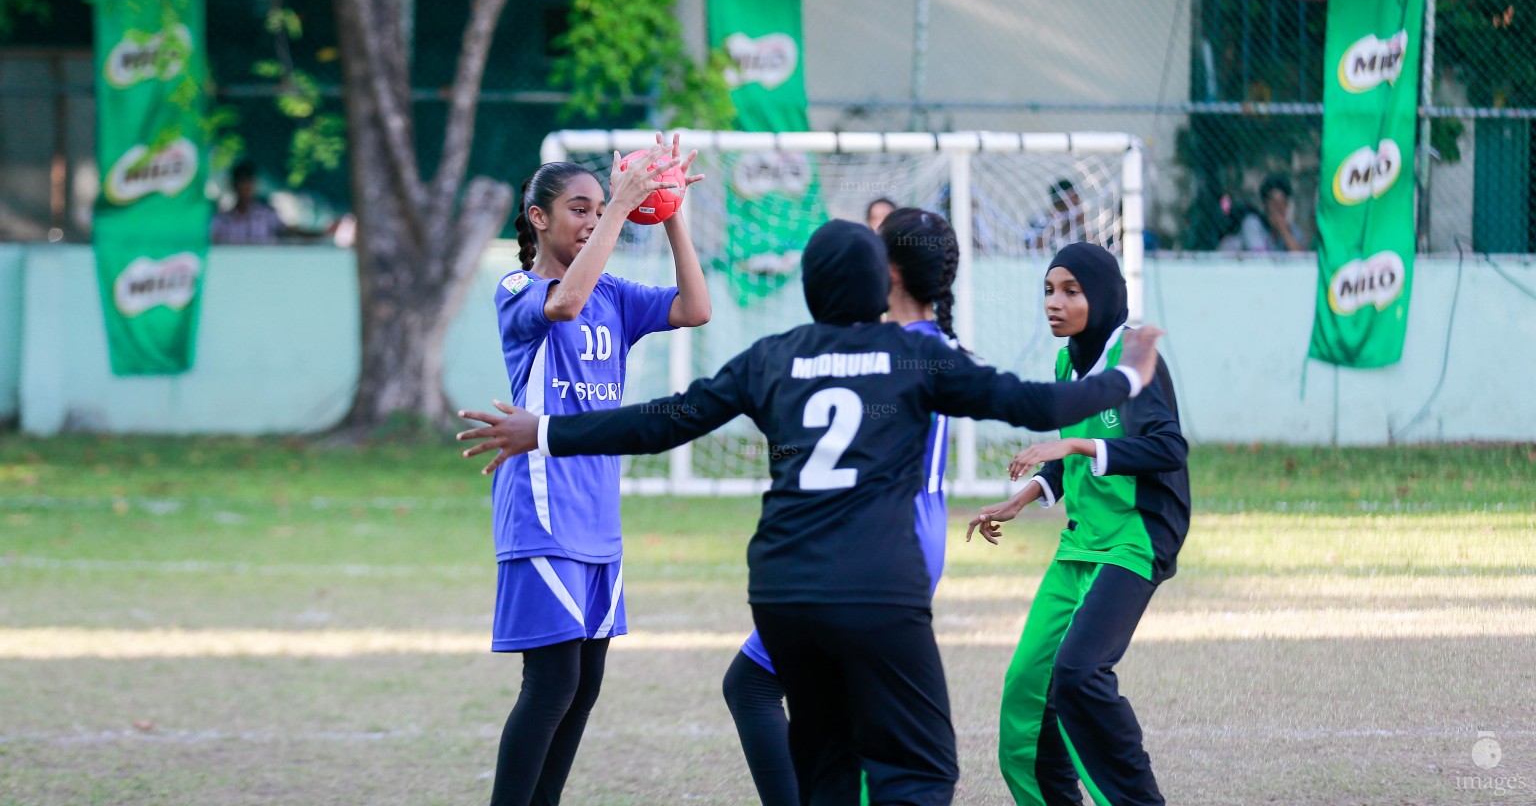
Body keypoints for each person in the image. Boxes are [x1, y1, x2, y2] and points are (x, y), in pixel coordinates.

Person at [458, 220, 1165, 806]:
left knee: (826, 769)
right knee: (919, 771)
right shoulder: (916, 358)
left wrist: (545, 430)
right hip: (877, 586)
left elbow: (666, 418)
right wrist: (1128, 375)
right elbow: (1035, 405)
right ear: (875, 284)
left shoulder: (773, 357)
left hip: (783, 590)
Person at [481, 134, 710, 806]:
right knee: (550, 685)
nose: (592, 217)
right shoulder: (519, 288)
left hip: (598, 516)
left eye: (599, 207)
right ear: (538, 218)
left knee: (583, 689)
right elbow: (563, 305)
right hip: (543, 510)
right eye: (578, 208)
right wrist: (620, 212)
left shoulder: (613, 292)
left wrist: (669, 215)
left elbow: (695, 308)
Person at [720, 207, 962, 806]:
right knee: (845, 709)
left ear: (892, 274)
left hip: (880, 542)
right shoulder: (931, 344)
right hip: (914, 535)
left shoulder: (891, 350)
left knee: (752, 684)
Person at [965, 242, 1189, 806]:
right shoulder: (1068, 360)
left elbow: (1166, 447)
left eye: (1071, 290)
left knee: (1080, 675)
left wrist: (1074, 441)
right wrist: (1029, 495)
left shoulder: (1136, 358)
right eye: (1048, 290)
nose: (1054, 303)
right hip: (1081, 543)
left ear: (1105, 294)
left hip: (1135, 539)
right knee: (1026, 690)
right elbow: (1073, 464)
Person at [210, 161, 285, 244]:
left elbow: (288, 233)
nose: (245, 187)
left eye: (248, 181)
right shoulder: (222, 221)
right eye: (242, 181)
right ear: (234, 185)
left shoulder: (268, 216)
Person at [1233, 173, 1304, 253]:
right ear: (1265, 205)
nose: (1278, 209)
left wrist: (1284, 230)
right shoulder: (1253, 224)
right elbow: (1261, 260)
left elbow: (1301, 259)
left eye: (1282, 204)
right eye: (1274, 203)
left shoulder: (1293, 231)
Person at [1026, 179, 1089, 253]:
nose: (1077, 201)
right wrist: (1060, 226)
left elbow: (1090, 245)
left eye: (1077, 197)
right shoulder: (1039, 219)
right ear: (1058, 201)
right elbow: (1031, 247)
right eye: (1073, 198)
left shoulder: (1078, 222)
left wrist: (1084, 225)